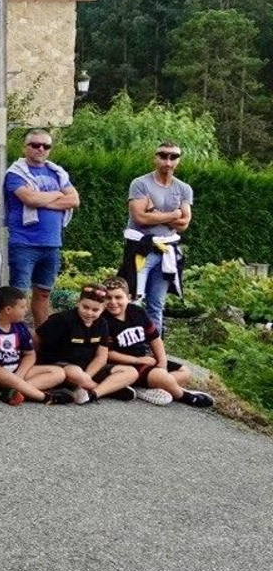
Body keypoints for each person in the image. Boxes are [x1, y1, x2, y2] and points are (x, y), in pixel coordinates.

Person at [4, 129, 79, 326]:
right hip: (24, 243)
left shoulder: (57, 172)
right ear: (25, 147)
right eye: (35, 145)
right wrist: (58, 194)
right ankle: (14, 338)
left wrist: (42, 200)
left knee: (44, 294)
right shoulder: (15, 174)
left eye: (46, 146)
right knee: (18, 296)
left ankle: (43, 337)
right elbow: (30, 199)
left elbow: (74, 200)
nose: (41, 149)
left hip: (52, 243)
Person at [103, 277, 214, 408]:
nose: (113, 302)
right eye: (108, 298)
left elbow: (155, 338)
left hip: (143, 359)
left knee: (185, 372)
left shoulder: (138, 312)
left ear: (129, 297)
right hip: (125, 365)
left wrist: (162, 362)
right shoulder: (103, 321)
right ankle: (184, 396)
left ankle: (150, 387)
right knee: (160, 376)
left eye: (118, 297)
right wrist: (137, 360)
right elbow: (108, 354)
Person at [124, 141, 193, 335]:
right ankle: (132, 344)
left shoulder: (184, 188)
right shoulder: (140, 183)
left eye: (173, 157)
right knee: (134, 299)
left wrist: (154, 211)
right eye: (163, 156)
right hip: (141, 248)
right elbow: (140, 218)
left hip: (166, 251)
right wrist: (174, 214)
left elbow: (184, 223)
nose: (168, 162)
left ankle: (155, 346)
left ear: (178, 160)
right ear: (155, 157)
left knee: (157, 304)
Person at [0, 287, 67, 405]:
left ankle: (9, 391)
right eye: (22, 307)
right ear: (8, 310)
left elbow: (30, 354)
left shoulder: (20, 327)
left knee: (59, 373)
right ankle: (44, 397)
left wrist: (19, 375)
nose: (26, 310)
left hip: (15, 370)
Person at [36, 285, 139, 403]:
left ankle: (93, 393)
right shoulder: (62, 319)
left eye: (95, 310)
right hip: (64, 367)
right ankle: (110, 390)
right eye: (85, 307)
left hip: (89, 368)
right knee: (74, 373)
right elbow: (37, 339)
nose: (89, 313)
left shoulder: (102, 324)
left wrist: (86, 376)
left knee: (131, 372)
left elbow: (101, 357)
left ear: (103, 308)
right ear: (78, 302)